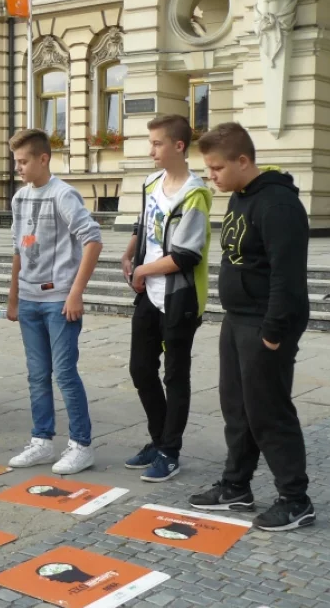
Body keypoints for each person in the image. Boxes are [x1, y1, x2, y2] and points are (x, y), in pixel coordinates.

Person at [189, 122, 314, 532]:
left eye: (217, 168)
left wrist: (274, 332)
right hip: (237, 319)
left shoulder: (278, 205)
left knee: (269, 413)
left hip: (266, 322)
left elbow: (287, 276)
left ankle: (296, 500)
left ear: (243, 161)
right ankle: (235, 486)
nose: (212, 176)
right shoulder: (240, 196)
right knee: (237, 409)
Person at [5, 129, 103, 475]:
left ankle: (81, 444)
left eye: (23, 161)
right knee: (36, 374)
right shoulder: (19, 199)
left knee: (64, 372)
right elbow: (19, 248)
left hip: (59, 299)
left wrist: (75, 292)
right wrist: (13, 296)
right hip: (30, 299)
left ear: (43, 158)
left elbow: (92, 240)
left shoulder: (63, 195)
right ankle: (42, 441)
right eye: (15, 161)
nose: (18, 168)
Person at [120, 115, 212, 483]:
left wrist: (142, 270)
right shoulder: (151, 182)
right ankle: (158, 441)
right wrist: (129, 256)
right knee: (140, 368)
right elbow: (144, 225)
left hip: (179, 299)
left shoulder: (195, 193)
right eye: (150, 143)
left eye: (157, 143)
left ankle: (170, 451)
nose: (151, 150)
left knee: (176, 375)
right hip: (149, 295)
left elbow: (186, 255)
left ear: (178, 146)